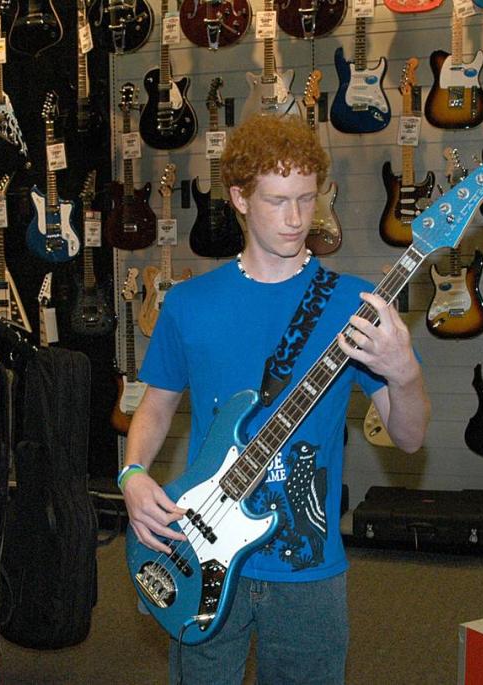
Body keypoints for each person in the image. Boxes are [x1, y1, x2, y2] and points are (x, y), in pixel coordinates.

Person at [119, 113, 430, 684]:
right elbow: (156, 405)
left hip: (309, 570)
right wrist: (133, 474)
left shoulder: (355, 304)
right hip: (198, 544)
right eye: (277, 200)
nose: (295, 219)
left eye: (307, 200)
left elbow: (410, 439)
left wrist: (404, 372)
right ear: (238, 197)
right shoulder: (189, 303)